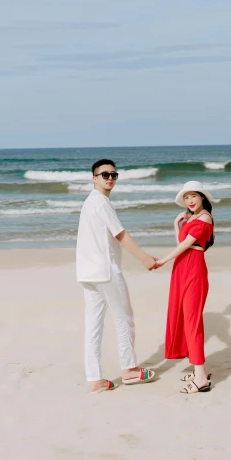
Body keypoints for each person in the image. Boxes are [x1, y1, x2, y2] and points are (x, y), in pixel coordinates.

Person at [76, 159, 158, 393]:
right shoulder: (101, 203)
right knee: (125, 318)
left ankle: (95, 379)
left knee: (93, 326)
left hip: (87, 272)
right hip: (105, 270)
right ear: (94, 178)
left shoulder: (90, 203)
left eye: (114, 174)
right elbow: (121, 235)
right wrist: (144, 258)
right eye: (104, 175)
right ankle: (129, 369)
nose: (110, 178)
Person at [154, 181, 215, 394]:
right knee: (183, 318)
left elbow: (184, 246)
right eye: (186, 197)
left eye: (193, 196)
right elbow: (180, 242)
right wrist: (176, 224)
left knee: (192, 322)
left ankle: (201, 380)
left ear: (202, 198)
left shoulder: (205, 217)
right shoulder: (191, 219)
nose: (190, 201)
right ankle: (202, 371)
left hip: (193, 271)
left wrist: (162, 261)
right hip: (181, 269)